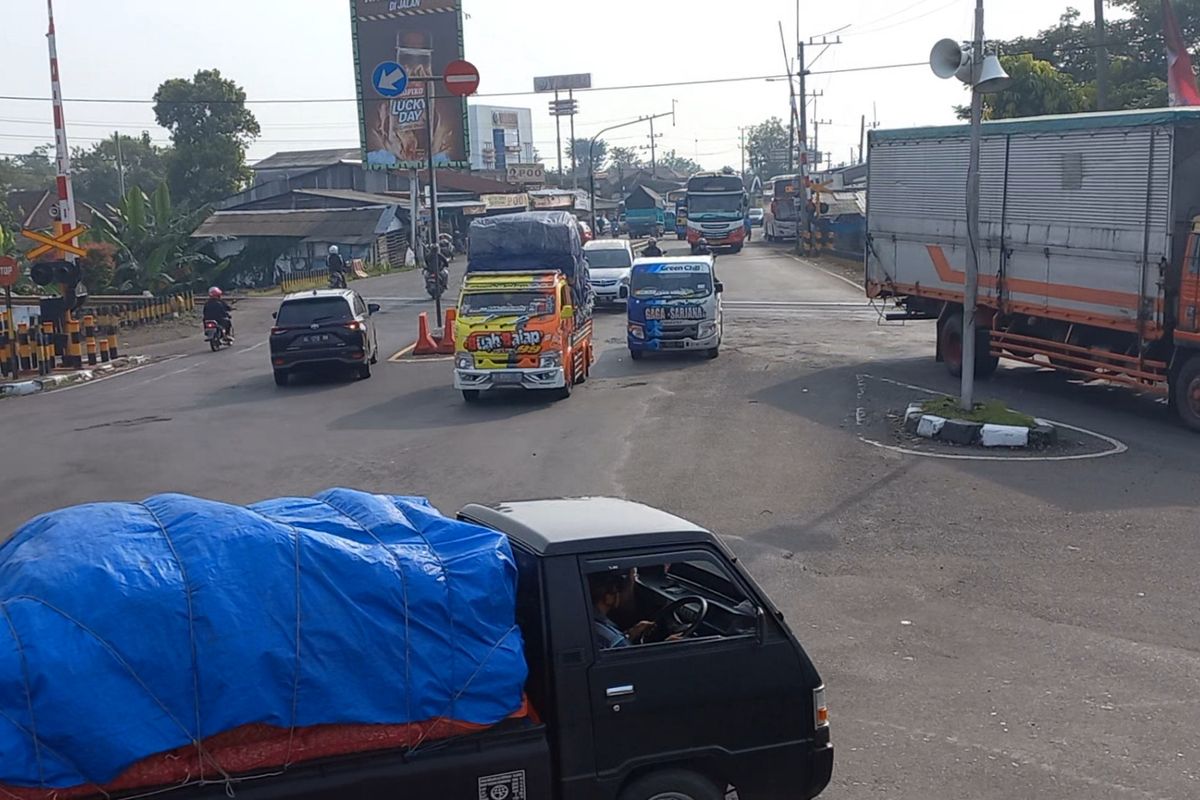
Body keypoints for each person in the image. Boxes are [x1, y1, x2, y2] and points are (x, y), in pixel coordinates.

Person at [590, 571, 656, 650]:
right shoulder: (614, 641)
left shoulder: (590, 620)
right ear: (608, 598)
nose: (619, 595)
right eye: (618, 589)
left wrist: (631, 634)